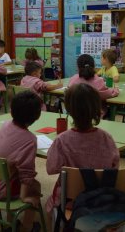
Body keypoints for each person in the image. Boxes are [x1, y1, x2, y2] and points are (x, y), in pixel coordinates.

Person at [46, 83, 120, 215]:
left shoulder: (62, 140)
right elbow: (114, 168)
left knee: (48, 204)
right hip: (100, 198)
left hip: (70, 199)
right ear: (97, 107)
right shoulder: (107, 139)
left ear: (68, 109)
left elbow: (51, 169)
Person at [0, 91, 43, 232]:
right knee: (35, 187)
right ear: (36, 116)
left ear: (12, 111)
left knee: (13, 173)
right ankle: (27, 227)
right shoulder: (29, 139)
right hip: (1, 190)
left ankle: (9, 224)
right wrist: (24, 196)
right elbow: (27, 173)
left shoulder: (6, 125)